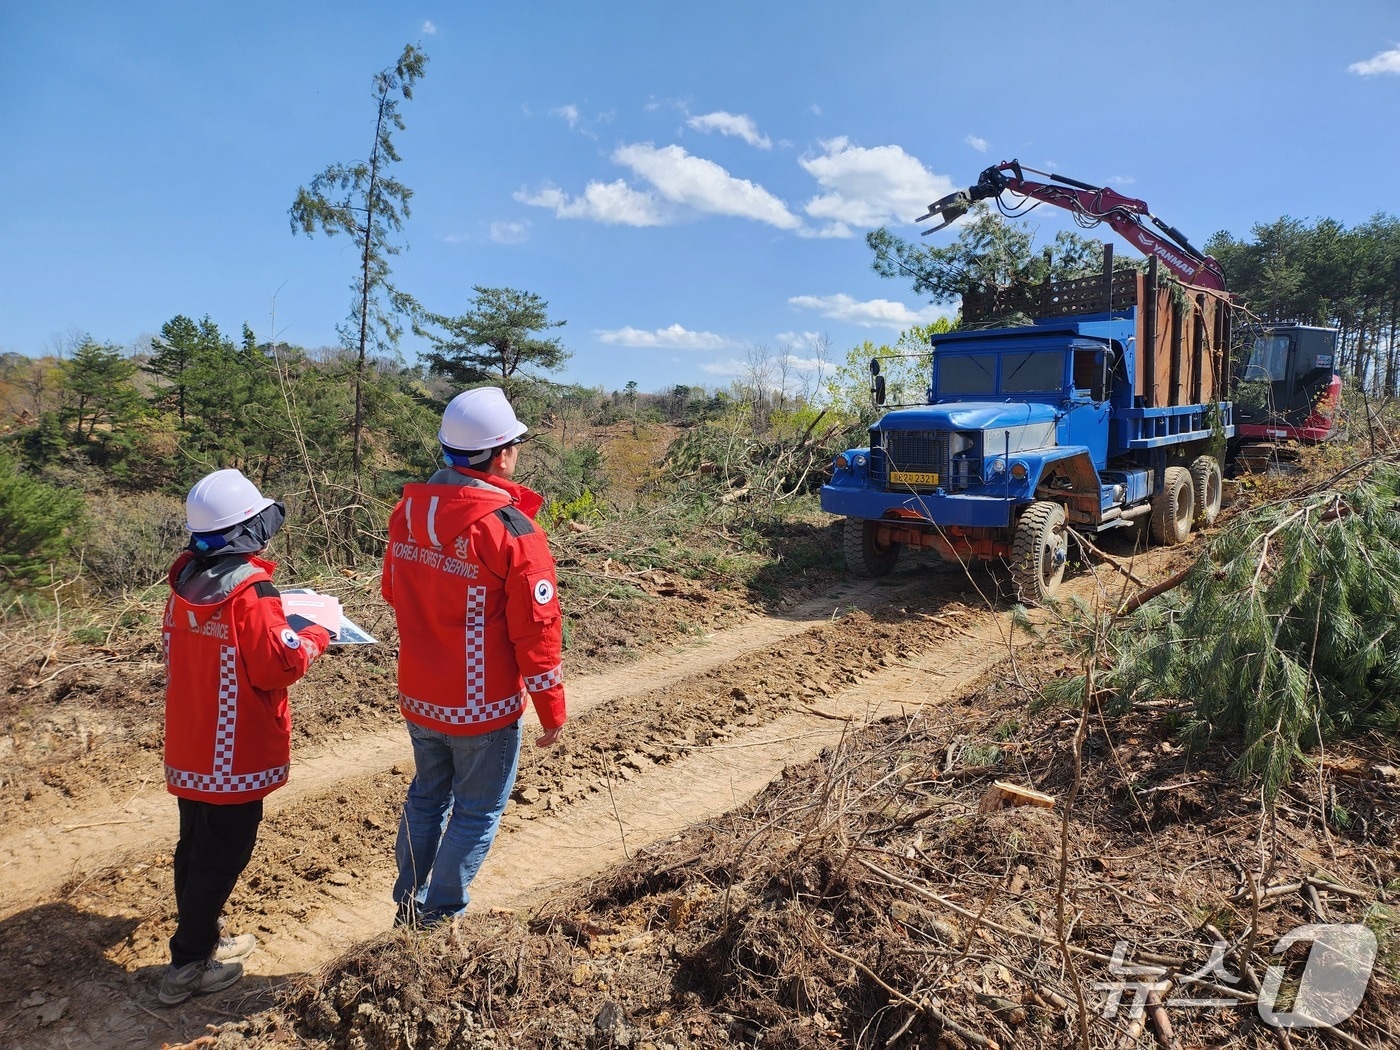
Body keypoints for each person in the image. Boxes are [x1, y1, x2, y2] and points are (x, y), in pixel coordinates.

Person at [382, 386, 567, 928]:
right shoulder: (511, 530)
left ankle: (407, 907)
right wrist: (552, 709)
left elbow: (393, 591)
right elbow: (537, 632)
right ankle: (437, 919)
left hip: (420, 696)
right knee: (476, 811)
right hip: (482, 706)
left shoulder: (406, 514)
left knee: (426, 798)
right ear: (502, 455)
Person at [158, 469, 331, 1005]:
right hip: (233, 751)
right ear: (248, 530)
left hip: (192, 742)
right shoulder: (250, 592)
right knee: (222, 856)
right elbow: (278, 664)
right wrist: (315, 634)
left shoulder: (186, 581)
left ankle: (200, 940)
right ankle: (188, 965)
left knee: (195, 847)